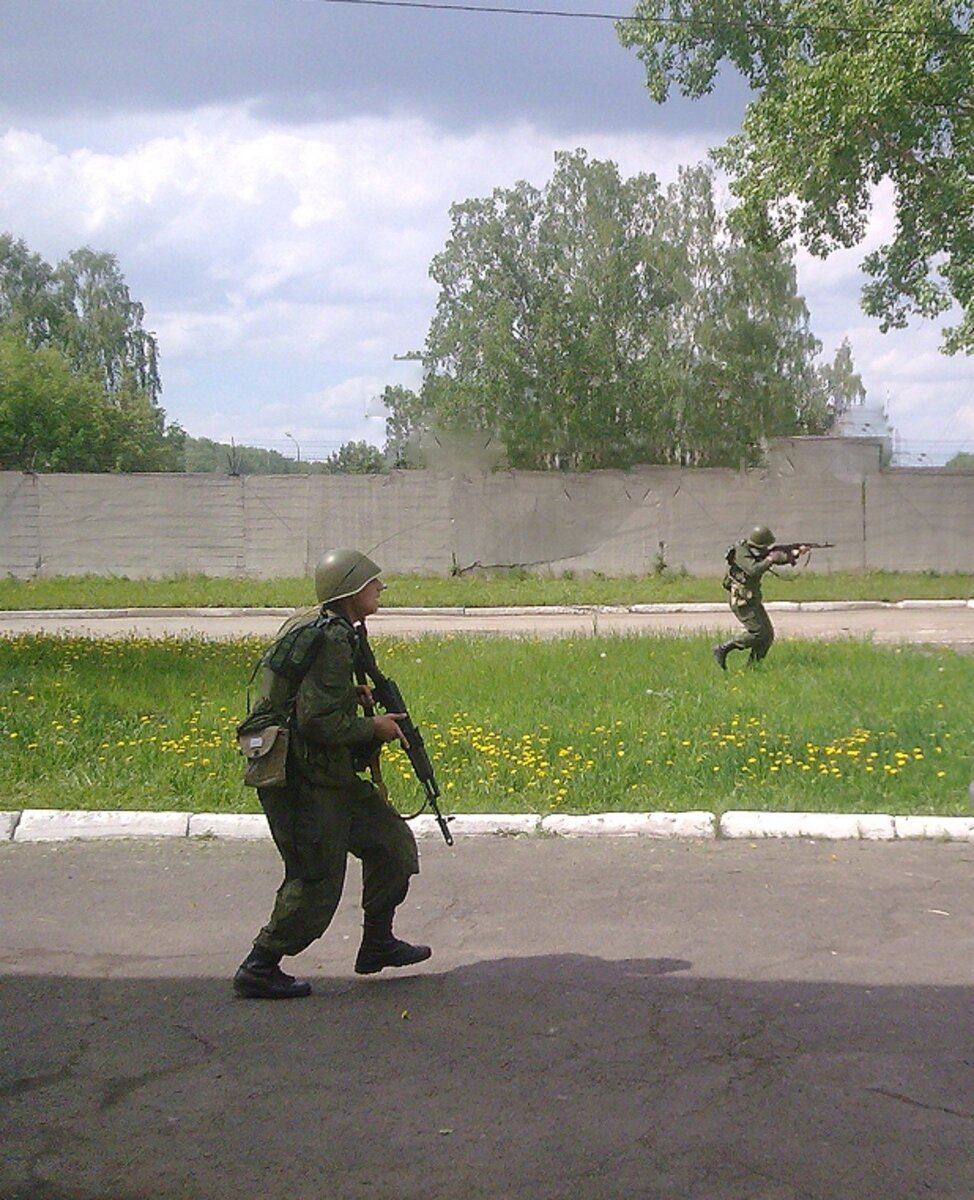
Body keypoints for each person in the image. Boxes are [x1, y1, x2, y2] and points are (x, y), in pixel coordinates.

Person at [233, 548, 431, 1000]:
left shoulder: (331, 629)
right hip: (302, 780)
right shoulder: (333, 638)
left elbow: (312, 700)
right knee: (317, 880)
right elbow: (316, 723)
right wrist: (373, 727)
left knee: (392, 846)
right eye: (372, 582)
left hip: (329, 773)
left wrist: (349, 696)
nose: (380, 588)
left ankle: (377, 944)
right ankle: (260, 965)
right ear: (351, 590)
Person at [712, 526, 809, 670]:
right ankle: (723, 648)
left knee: (767, 636)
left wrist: (794, 554)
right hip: (741, 601)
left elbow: (776, 557)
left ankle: (752, 668)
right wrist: (770, 558)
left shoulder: (757, 551)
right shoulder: (741, 552)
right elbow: (753, 569)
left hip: (752, 599)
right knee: (757, 633)